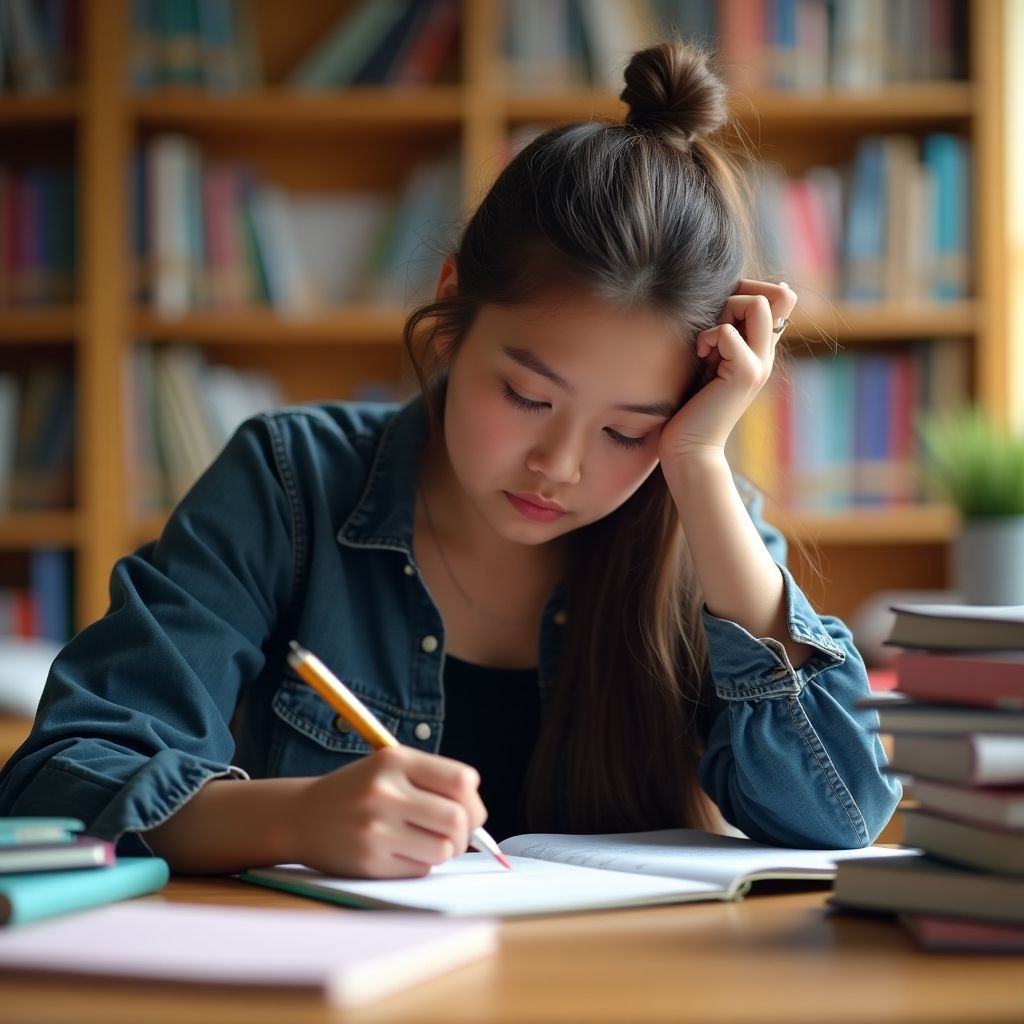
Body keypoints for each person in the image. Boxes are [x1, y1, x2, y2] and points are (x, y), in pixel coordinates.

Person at [0, 42, 900, 878]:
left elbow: (844, 812)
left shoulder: (697, 522)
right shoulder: (289, 483)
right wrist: (293, 820)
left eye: (629, 430)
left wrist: (700, 465)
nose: (559, 464)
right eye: (526, 397)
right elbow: (62, 778)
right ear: (453, 310)